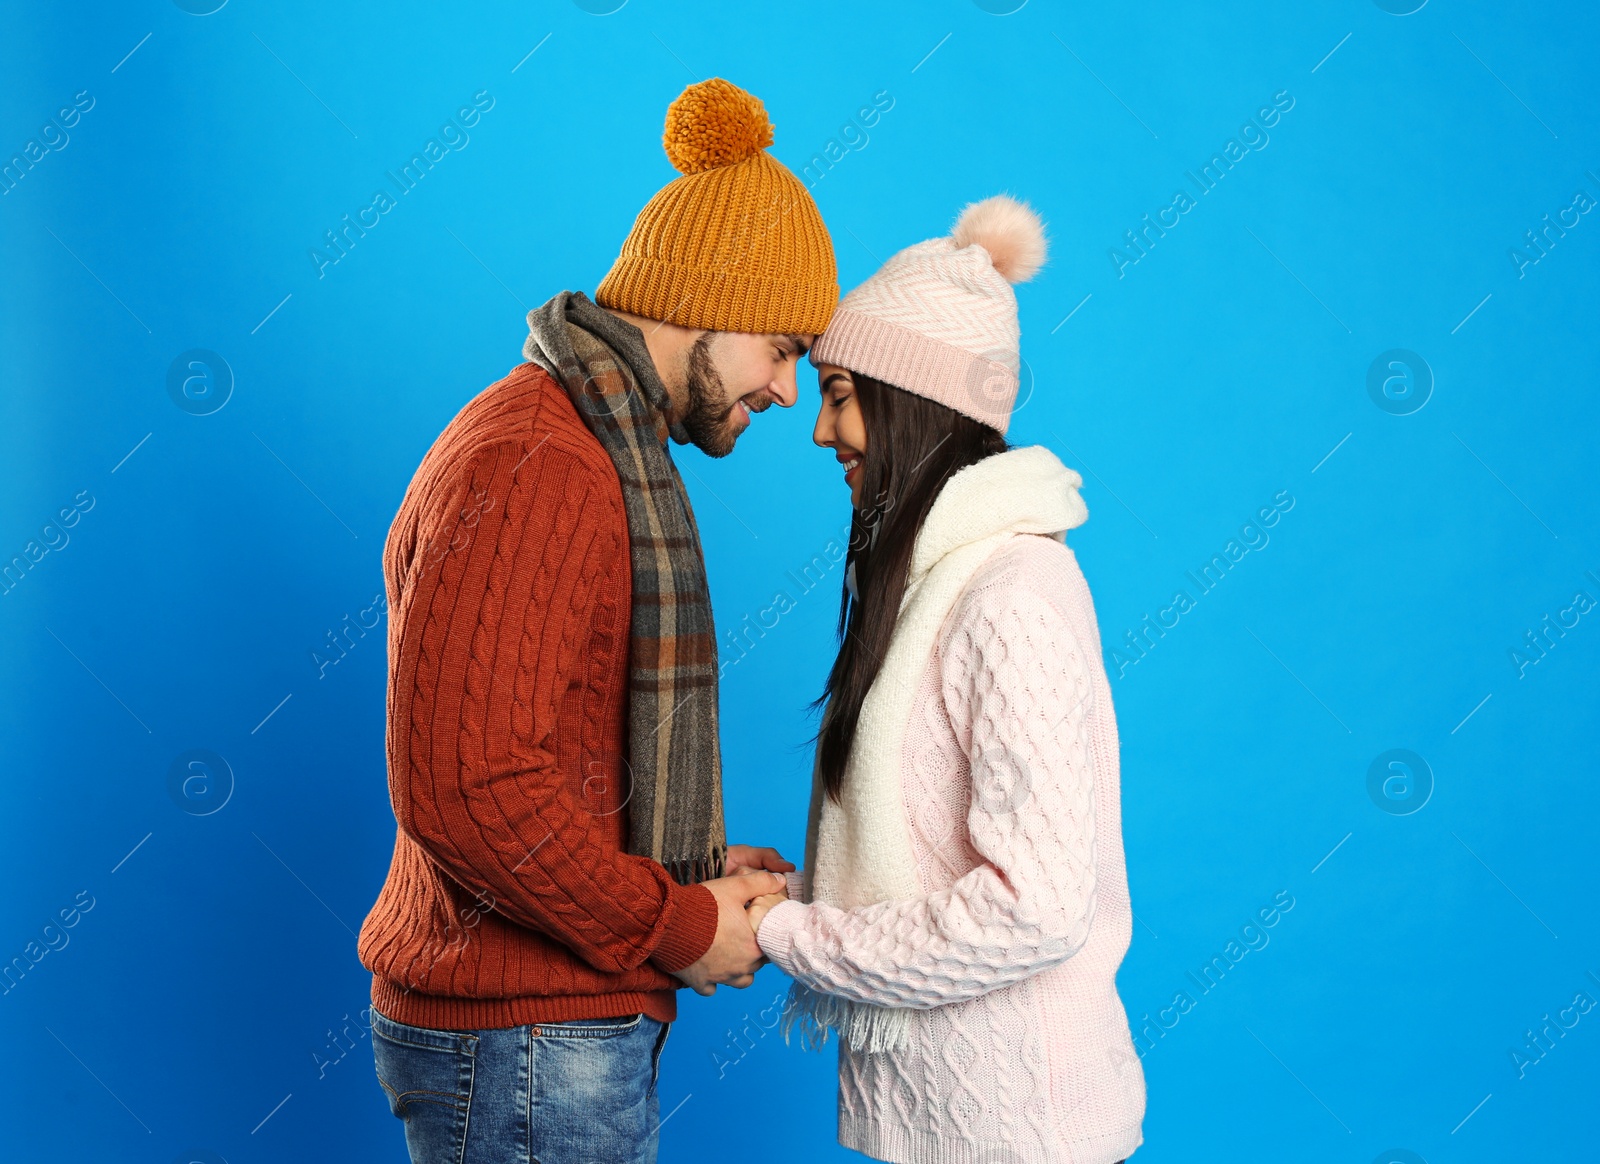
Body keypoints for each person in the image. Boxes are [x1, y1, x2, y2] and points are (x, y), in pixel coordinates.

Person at [355, 77, 836, 1164]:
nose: (788, 391)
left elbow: (546, 762)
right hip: (529, 1043)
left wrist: (696, 879)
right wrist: (676, 925)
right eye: (784, 346)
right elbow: (469, 785)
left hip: (546, 1034)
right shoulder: (543, 462)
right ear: (708, 298)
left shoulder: (590, 445)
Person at [747, 195, 1147, 1163]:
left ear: (909, 401)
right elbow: (934, 860)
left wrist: (792, 935)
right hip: (949, 1120)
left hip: (1017, 1127)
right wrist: (798, 894)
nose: (819, 431)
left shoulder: (1009, 591)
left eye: (839, 393)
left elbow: (1034, 906)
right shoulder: (940, 578)